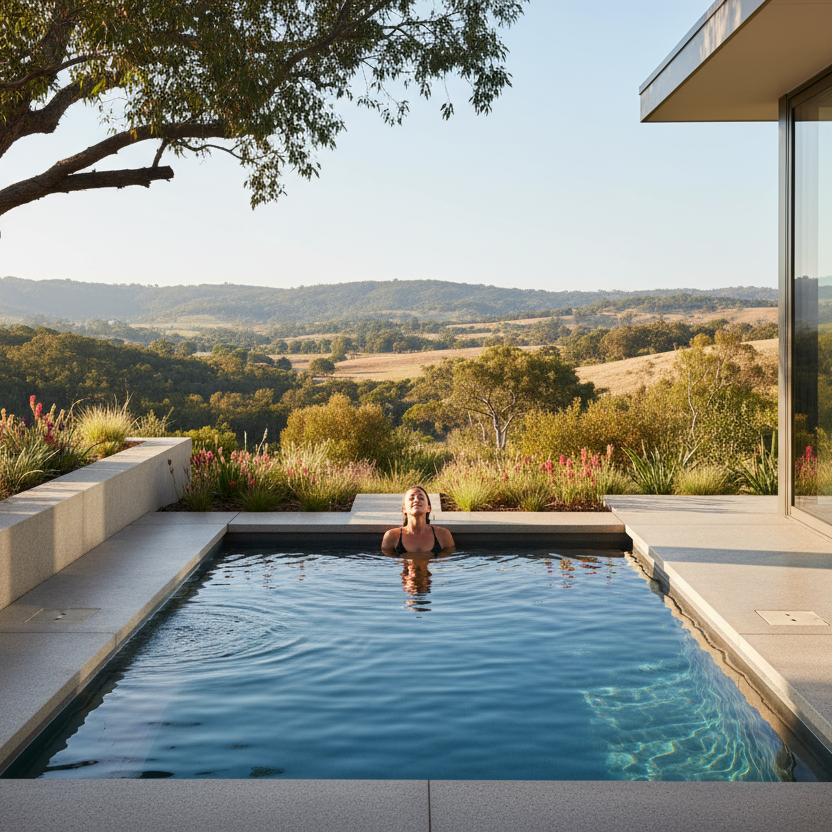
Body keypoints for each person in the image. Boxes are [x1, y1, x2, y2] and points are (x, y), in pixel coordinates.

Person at [381, 486, 455, 554]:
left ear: (429, 508)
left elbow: (446, 564)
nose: (416, 500)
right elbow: (389, 565)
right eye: (411, 498)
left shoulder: (443, 535)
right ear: (404, 509)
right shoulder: (392, 536)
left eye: (421, 498)